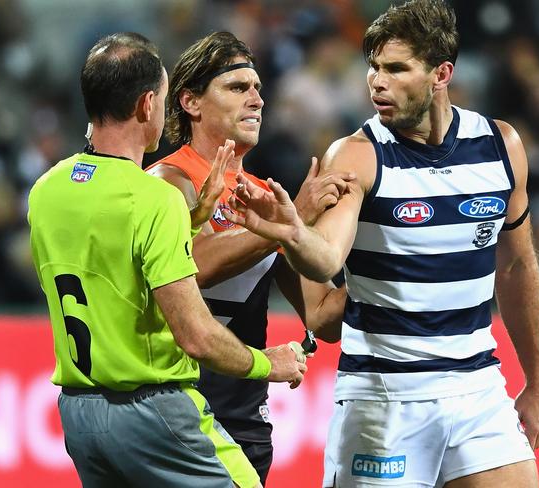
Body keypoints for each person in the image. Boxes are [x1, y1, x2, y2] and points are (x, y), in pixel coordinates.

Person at [225, 1, 539, 486]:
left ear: (442, 73)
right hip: (384, 397)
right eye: (374, 67)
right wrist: (293, 232)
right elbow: (328, 259)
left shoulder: (501, 146)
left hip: (478, 389)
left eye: (396, 68)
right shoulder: (357, 155)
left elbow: (517, 267)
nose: (377, 81)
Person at [27, 32, 308, 488]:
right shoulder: (153, 197)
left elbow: (114, 267)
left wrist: (193, 219)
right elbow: (195, 336)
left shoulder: (46, 191)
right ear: (146, 105)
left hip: (80, 415)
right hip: (153, 409)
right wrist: (266, 363)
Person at [145, 31, 349, 485]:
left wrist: (386, 268)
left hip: (243, 416)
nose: (256, 99)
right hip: (177, 409)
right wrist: (284, 225)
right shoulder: (166, 181)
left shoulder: (262, 197)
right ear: (191, 102)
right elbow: (193, 264)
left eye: (258, 88)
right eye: (238, 88)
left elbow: (322, 317)